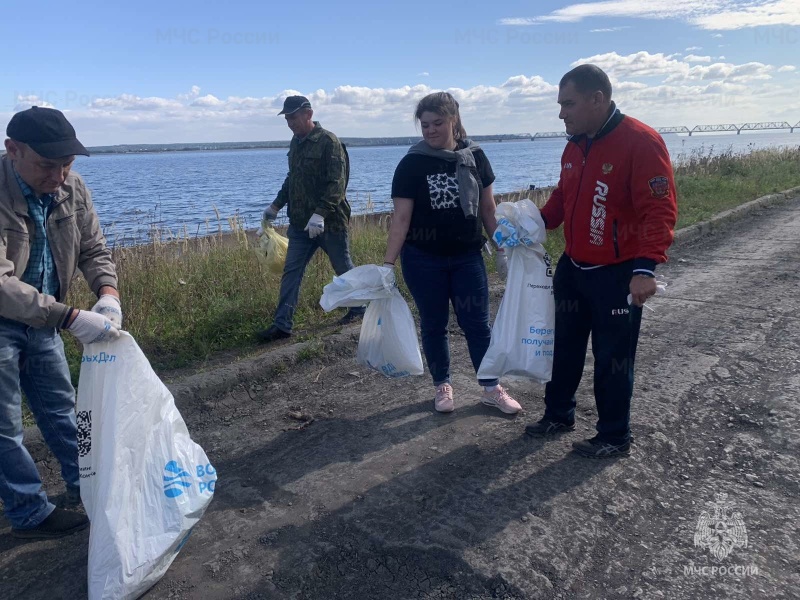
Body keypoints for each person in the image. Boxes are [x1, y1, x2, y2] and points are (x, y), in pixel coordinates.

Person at [525, 65, 678, 457]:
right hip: (573, 268)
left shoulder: (641, 142)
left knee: (612, 357)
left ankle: (614, 435)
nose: (561, 114)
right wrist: (536, 224)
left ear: (598, 99)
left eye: (568, 104)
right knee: (563, 347)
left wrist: (645, 269)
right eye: (560, 105)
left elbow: (658, 211)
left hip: (618, 274)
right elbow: (564, 194)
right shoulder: (576, 142)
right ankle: (558, 414)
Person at [1, 106, 122, 538]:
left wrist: (107, 295)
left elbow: (93, 248)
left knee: (64, 411)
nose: (58, 177)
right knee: (5, 427)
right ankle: (30, 513)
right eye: (47, 165)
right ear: (12, 150)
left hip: (45, 321)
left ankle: (87, 485)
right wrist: (69, 316)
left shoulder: (72, 187)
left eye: (66, 165)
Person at [383, 92, 521, 415]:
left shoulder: (475, 157)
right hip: (422, 259)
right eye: (425, 124)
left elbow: (489, 209)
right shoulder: (411, 164)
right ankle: (442, 384)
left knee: (477, 324)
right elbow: (401, 219)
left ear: (454, 120)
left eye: (437, 123)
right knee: (433, 324)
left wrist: (502, 248)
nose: (430, 130)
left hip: (467, 258)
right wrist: (387, 265)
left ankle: (490, 387)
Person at [257, 96, 364, 342]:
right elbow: (292, 179)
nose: (290, 123)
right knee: (291, 272)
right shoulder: (296, 143)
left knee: (343, 268)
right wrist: (275, 206)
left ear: (308, 114)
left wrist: (320, 214)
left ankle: (359, 308)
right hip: (299, 225)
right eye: (286, 118)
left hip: (330, 224)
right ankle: (282, 325)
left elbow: (337, 185)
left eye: (293, 117)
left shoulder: (329, 142)